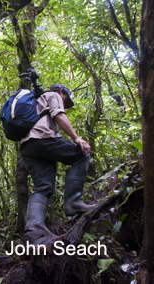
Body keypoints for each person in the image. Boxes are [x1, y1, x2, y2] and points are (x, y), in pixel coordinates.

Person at [20, 84, 94, 245]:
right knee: (82, 154)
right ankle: (73, 203)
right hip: (44, 138)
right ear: (62, 92)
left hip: (27, 147)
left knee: (43, 187)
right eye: (65, 99)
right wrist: (76, 138)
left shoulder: (35, 102)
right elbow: (59, 115)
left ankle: (34, 229)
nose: (64, 102)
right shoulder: (53, 95)